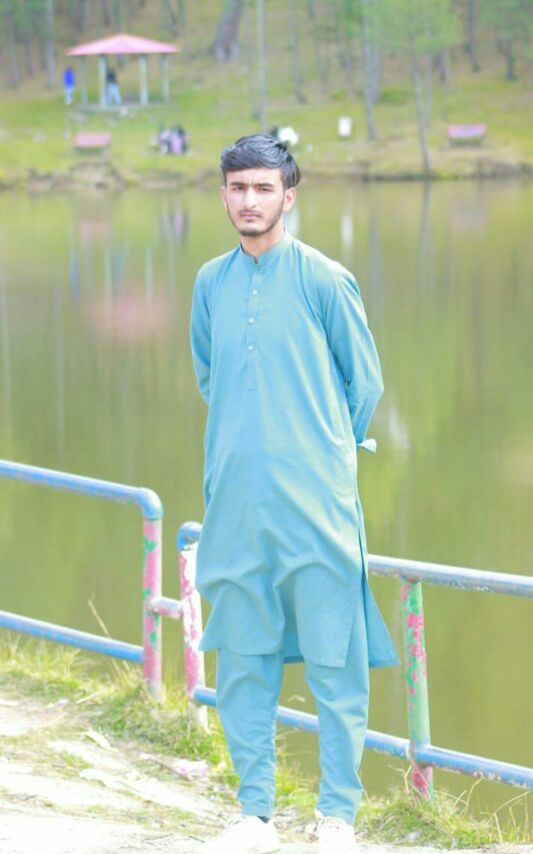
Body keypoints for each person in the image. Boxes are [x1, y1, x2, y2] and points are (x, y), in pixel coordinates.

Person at [190, 135, 399, 854]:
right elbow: (211, 376)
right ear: (223, 194)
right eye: (237, 187)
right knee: (242, 657)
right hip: (235, 503)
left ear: (289, 195)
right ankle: (254, 815)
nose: (249, 200)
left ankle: (336, 816)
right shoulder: (209, 283)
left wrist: (322, 453)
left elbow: (364, 385)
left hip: (317, 505)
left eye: (263, 188)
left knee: (335, 658)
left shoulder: (325, 280)